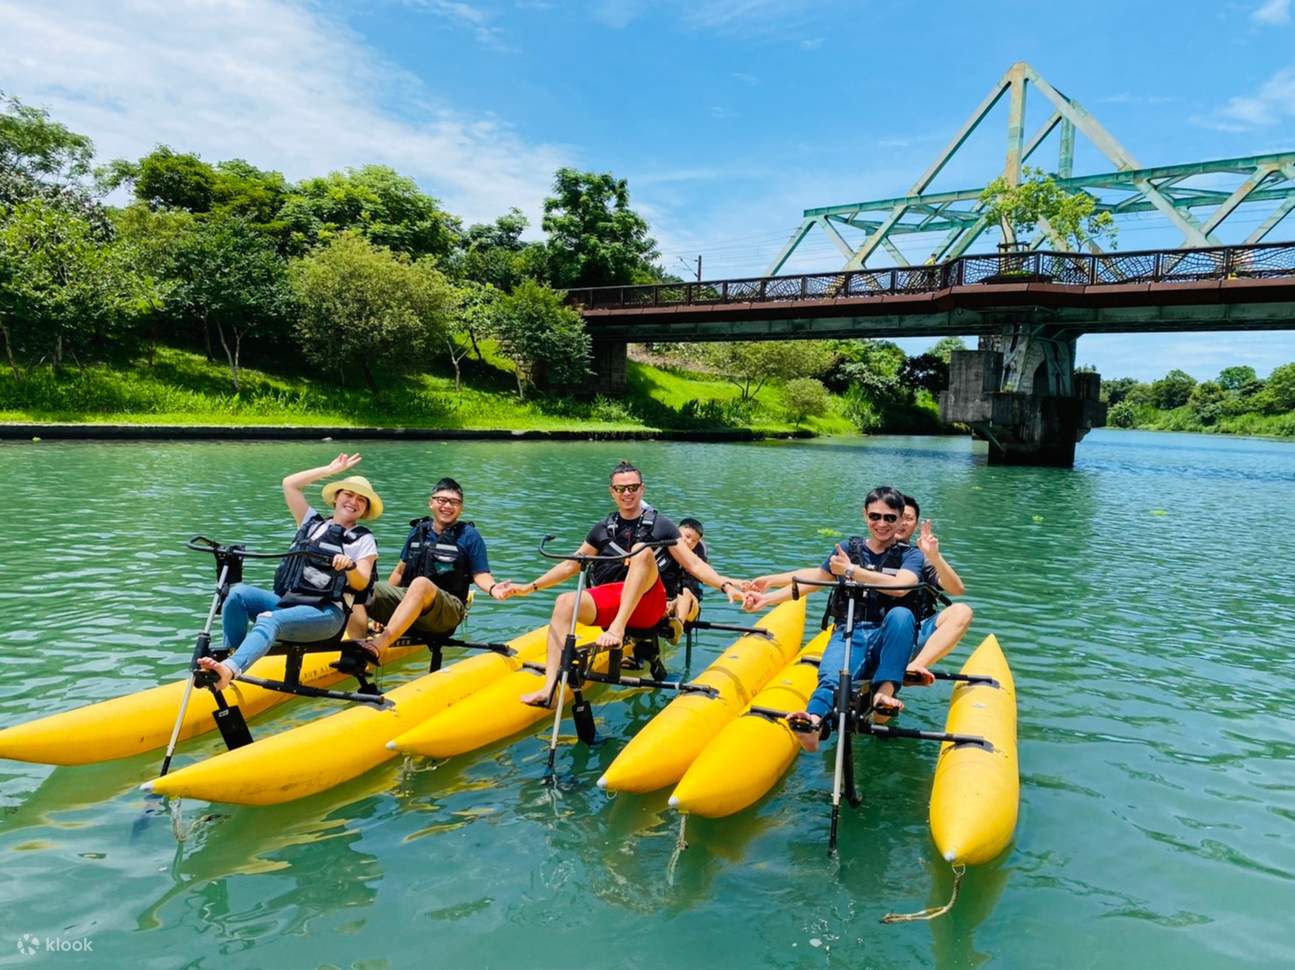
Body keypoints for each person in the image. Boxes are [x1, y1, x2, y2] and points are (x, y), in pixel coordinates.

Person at [499, 460, 743, 708]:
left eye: (633, 487)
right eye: (621, 489)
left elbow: (694, 565)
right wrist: (529, 587)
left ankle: (617, 630)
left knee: (641, 551)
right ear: (612, 492)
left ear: (642, 489)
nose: (627, 493)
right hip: (615, 599)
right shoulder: (602, 529)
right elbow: (571, 565)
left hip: (649, 604)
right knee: (564, 602)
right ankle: (549, 687)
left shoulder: (662, 525)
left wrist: (725, 585)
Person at [742, 485, 923, 751]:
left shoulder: (910, 555)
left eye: (889, 518)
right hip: (850, 628)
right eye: (875, 516)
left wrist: (852, 570)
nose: (881, 524)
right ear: (865, 515)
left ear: (899, 520)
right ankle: (814, 722)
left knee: (901, 614)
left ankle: (884, 693)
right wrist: (767, 598)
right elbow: (815, 580)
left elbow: (902, 586)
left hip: (888, 635)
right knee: (832, 676)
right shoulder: (849, 549)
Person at [196, 454, 382, 692]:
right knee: (237, 594)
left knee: (268, 619)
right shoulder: (311, 523)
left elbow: (361, 582)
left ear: (365, 510)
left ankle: (230, 669)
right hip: (290, 603)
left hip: (327, 615)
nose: (354, 501)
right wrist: (331, 469)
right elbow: (290, 484)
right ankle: (232, 658)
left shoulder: (363, 539)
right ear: (336, 498)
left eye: (361, 500)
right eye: (348, 494)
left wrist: (350, 567)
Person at [361, 477, 506, 659]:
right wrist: (380, 611)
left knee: (421, 584)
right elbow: (399, 571)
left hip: (446, 613)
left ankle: (380, 644)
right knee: (361, 585)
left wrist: (493, 588)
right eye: (442, 500)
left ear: (461, 508)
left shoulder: (469, 536)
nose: (447, 506)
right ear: (431, 503)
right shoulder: (418, 531)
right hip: (411, 603)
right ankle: (356, 647)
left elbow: (480, 574)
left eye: (454, 502)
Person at [895, 495, 973, 686]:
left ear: (915, 526)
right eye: (897, 516)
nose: (901, 522)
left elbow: (957, 589)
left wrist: (934, 557)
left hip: (912, 636)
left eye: (908, 518)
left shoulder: (920, 558)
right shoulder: (863, 553)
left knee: (962, 611)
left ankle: (914, 668)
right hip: (873, 633)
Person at [660, 516, 707, 641]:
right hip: (665, 599)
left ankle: (676, 627)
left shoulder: (696, 557)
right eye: (686, 536)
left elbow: (692, 584)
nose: (689, 542)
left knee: (684, 591)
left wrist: (673, 601)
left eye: (694, 541)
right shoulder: (664, 548)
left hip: (689, 602)